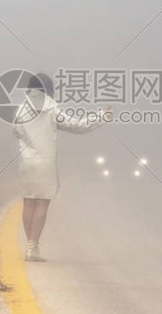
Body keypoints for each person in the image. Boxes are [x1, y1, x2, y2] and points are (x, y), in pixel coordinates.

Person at [12, 72, 111, 261]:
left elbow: (15, 131)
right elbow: (78, 126)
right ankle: (32, 248)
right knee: (42, 203)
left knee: (29, 202)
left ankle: (31, 246)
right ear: (49, 89)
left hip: (26, 162)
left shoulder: (20, 110)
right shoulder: (52, 109)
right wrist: (101, 116)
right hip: (45, 162)